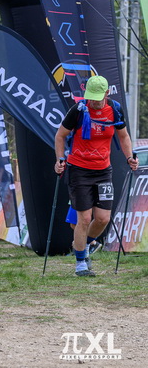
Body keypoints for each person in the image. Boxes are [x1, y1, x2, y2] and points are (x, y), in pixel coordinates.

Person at [54, 75, 138, 277]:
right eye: (91, 97)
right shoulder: (79, 110)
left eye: (98, 98)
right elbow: (60, 136)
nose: (94, 101)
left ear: (107, 94)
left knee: (102, 219)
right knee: (84, 219)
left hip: (103, 171)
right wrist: (59, 159)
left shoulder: (115, 109)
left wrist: (129, 157)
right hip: (79, 170)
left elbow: (123, 136)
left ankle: (82, 245)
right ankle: (80, 264)